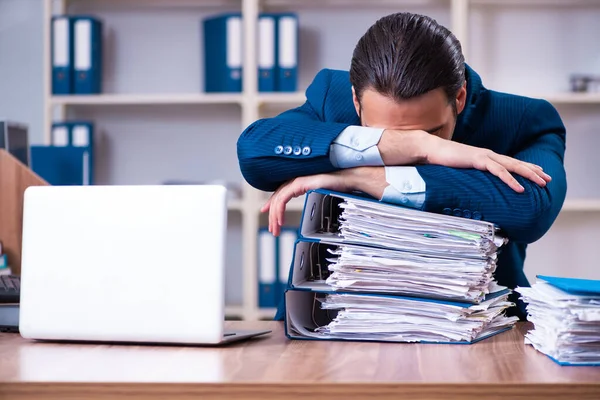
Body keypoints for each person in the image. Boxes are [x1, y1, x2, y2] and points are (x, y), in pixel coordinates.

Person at [236, 12, 567, 321]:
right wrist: (422, 146)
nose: (415, 147)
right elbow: (254, 152)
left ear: (460, 97)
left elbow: (531, 210)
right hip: (333, 317)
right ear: (356, 101)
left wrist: (363, 176)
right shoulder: (332, 99)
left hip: (473, 322)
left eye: (431, 131)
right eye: (382, 132)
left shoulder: (522, 120)